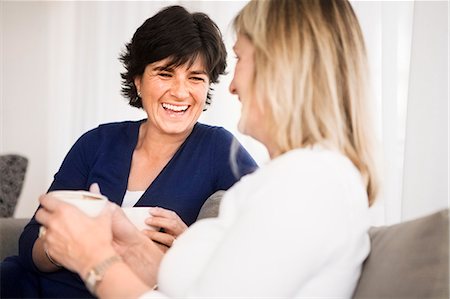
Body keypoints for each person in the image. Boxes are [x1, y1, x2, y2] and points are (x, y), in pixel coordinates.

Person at [35, 0, 381, 298]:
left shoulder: (307, 182)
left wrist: (94, 260)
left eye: (241, 59)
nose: (231, 86)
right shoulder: (296, 178)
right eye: (165, 74)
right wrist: (133, 244)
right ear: (138, 80)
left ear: (282, 67)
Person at [0, 5, 257, 299]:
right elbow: (31, 243)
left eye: (196, 78)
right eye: (165, 73)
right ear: (138, 80)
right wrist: (70, 245)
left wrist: (188, 248)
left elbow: (262, 237)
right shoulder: (97, 142)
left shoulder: (220, 149)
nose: (180, 92)